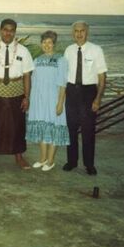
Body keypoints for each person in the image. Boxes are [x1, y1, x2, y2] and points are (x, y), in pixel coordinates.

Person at [0, 19, 34, 169]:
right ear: (0, 30)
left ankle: (19, 156)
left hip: (16, 91)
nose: (8, 33)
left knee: (17, 125)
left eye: (11, 30)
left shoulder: (23, 51)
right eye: (5, 29)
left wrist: (27, 97)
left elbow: (27, 76)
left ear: (15, 32)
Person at [63, 20, 107, 175]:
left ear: (87, 32)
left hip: (88, 93)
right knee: (71, 130)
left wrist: (98, 99)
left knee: (88, 131)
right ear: (72, 33)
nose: (79, 34)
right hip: (71, 92)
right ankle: (72, 161)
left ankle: (89, 164)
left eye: (82, 31)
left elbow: (102, 77)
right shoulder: (68, 50)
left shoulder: (96, 50)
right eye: (76, 31)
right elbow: (64, 75)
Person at [26, 30, 70, 171]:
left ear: (54, 44)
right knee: (42, 128)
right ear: (41, 44)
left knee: (53, 129)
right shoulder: (37, 60)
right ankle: (43, 158)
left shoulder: (61, 60)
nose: (46, 45)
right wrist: (32, 101)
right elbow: (33, 81)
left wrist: (60, 103)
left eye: (49, 42)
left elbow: (63, 83)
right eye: (44, 42)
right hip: (39, 100)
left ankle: (51, 161)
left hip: (53, 100)